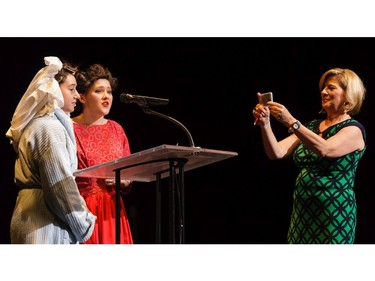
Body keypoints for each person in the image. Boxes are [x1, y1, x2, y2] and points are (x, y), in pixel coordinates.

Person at [252, 67, 366, 244]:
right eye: (323, 88)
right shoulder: (312, 126)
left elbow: (325, 149)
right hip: (302, 214)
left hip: (334, 214)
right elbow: (276, 152)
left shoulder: (354, 129)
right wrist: (265, 124)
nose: (323, 92)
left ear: (348, 94)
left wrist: (290, 121)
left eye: (331, 88)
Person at [6, 56, 96, 244]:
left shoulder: (39, 124)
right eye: (71, 89)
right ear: (52, 90)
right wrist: (84, 221)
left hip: (32, 216)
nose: (77, 95)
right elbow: (59, 185)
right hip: (45, 222)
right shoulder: (49, 128)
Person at [72, 63, 133, 244]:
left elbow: (129, 176)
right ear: (82, 97)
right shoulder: (69, 128)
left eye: (109, 91)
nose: (106, 96)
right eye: (99, 91)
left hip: (114, 210)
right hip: (82, 211)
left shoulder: (116, 129)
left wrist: (123, 180)